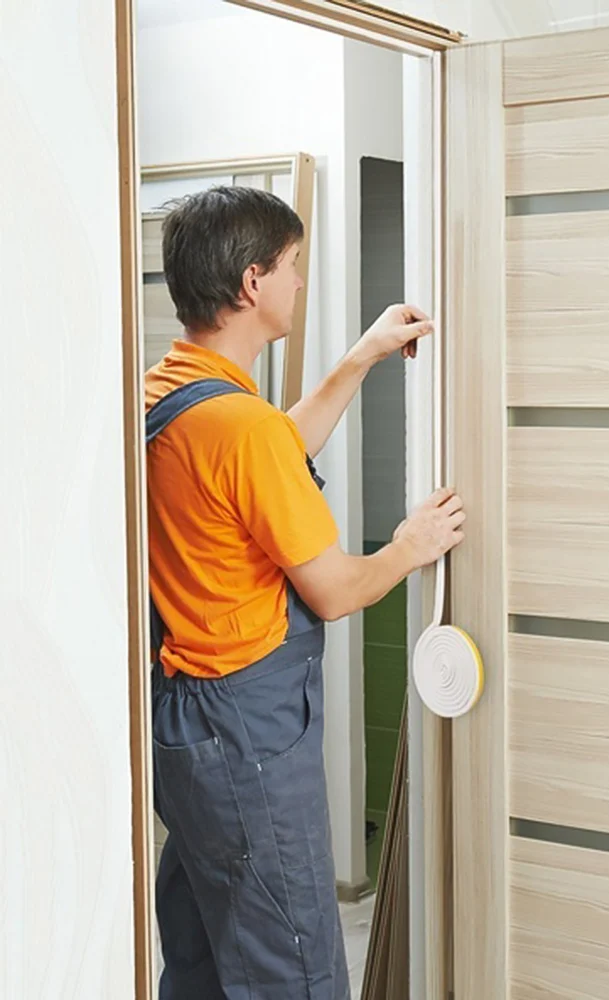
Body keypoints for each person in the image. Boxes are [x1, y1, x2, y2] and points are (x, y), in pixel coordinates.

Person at [145, 186, 464, 1000]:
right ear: (252, 282)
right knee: (294, 964)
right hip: (247, 727)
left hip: (183, 728)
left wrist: (361, 356)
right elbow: (335, 591)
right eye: (290, 266)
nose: (296, 282)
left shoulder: (166, 394)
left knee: (204, 954)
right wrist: (409, 546)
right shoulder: (239, 427)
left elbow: (273, 449)